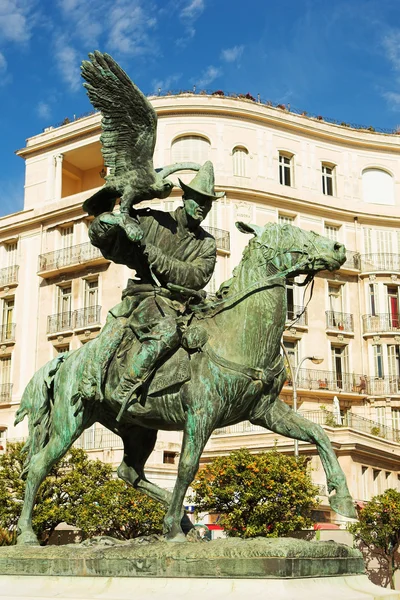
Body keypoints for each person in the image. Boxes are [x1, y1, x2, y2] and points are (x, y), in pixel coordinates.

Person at [77, 161, 224, 418]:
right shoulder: (153, 221)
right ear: (185, 197)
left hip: (185, 306)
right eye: (198, 199)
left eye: (208, 203)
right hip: (146, 297)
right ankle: (121, 387)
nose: (202, 206)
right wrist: (115, 222)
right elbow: (102, 238)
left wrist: (147, 248)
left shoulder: (207, 244)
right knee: (165, 330)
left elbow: (194, 277)